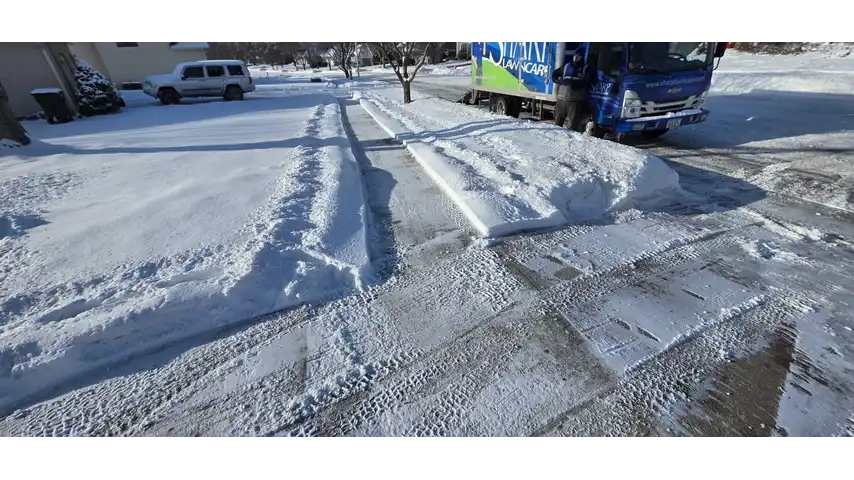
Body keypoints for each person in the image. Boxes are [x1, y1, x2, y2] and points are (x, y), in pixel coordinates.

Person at [551, 48, 590, 132]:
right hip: (561, 99)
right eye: (575, 57)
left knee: (571, 127)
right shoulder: (567, 66)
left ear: (583, 58)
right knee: (557, 125)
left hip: (575, 101)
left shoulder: (586, 68)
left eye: (578, 57)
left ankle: (568, 143)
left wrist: (574, 83)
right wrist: (556, 80)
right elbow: (555, 73)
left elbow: (587, 81)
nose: (576, 59)